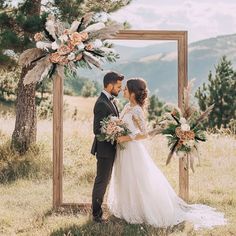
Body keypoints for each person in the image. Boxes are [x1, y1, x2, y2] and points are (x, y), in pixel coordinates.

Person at [107, 77, 226, 229]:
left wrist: (125, 137)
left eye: (125, 89)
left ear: (132, 93)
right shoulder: (126, 107)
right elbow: (122, 124)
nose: (123, 90)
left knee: (136, 180)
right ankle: (126, 209)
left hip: (132, 151)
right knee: (124, 177)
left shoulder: (137, 110)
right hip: (123, 150)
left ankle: (142, 210)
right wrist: (114, 128)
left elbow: (145, 134)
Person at [91, 71, 124, 223]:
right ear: (110, 86)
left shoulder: (111, 101)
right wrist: (112, 129)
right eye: (118, 86)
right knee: (102, 181)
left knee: (107, 180)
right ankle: (97, 215)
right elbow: (97, 130)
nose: (119, 89)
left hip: (111, 148)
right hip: (104, 150)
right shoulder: (101, 103)